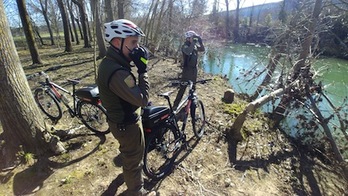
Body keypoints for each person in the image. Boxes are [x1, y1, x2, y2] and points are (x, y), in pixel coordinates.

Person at [97, 19, 154, 196]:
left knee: (130, 155)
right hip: (127, 126)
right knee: (133, 161)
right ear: (116, 42)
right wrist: (143, 71)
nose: (137, 48)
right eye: (133, 42)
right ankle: (136, 191)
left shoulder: (113, 62)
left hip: (121, 120)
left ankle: (127, 165)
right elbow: (142, 99)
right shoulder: (117, 72)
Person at [173, 30, 205, 110]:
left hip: (194, 70)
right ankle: (175, 105)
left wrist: (200, 42)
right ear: (188, 38)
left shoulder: (193, 46)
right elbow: (188, 52)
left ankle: (191, 104)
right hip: (187, 70)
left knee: (193, 88)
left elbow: (202, 49)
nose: (194, 39)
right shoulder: (185, 46)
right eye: (192, 37)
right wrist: (193, 42)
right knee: (183, 88)